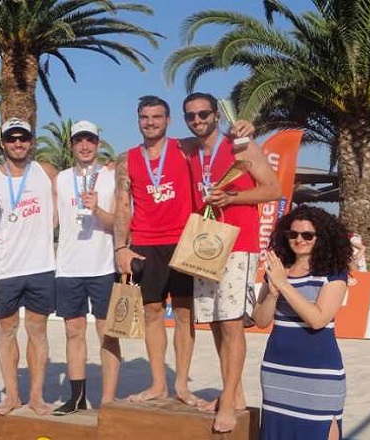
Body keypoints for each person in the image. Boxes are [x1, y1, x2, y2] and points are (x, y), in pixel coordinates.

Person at [181, 92, 281, 433]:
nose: (197, 121)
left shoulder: (241, 147)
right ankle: (235, 396)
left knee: (232, 322)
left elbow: (273, 189)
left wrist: (234, 196)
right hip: (206, 244)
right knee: (213, 322)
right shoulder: (191, 150)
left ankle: (229, 400)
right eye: (191, 116)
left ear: (216, 115)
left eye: (203, 114)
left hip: (239, 244)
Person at [113, 95, 197, 405]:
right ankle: (158, 384)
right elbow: (122, 206)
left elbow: (221, 146)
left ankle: (182, 385)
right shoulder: (127, 158)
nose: (150, 122)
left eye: (157, 117)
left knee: (186, 314)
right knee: (152, 312)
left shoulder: (185, 148)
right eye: (145, 117)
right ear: (138, 120)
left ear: (168, 120)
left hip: (184, 240)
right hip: (146, 242)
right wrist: (121, 246)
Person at [0, 117, 57, 416]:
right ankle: (12, 396)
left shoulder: (46, 172)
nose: (18, 143)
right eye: (11, 138)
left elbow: (69, 195)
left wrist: (106, 168)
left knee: (37, 331)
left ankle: (36, 396)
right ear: (3, 143)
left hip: (41, 266)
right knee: (6, 331)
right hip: (4, 267)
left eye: (23, 138)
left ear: (31, 141)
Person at [253, 205, 351, 440]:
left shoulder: (334, 273)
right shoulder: (278, 271)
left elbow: (318, 319)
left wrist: (284, 285)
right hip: (278, 370)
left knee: (320, 430)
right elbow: (260, 320)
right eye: (292, 234)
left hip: (318, 372)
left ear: (322, 238)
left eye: (307, 235)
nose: (299, 240)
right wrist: (273, 293)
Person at [52, 120, 120, 415]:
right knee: (73, 332)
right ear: (71, 145)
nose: (84, 146)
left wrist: (97, 209)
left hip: (103, 266)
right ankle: (77, 397)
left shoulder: (112, 176)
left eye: (90, 140)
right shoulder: (61, 179)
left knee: (107, 333)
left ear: (98, 144)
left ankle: (107, 401)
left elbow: (118, 223)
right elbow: (50, 221)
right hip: (68, 267)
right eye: (79, 140)